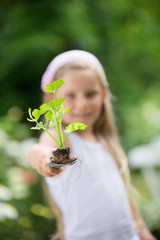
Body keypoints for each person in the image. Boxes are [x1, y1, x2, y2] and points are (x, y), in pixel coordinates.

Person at [28, 50, 156, 240]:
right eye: (70, 95)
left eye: (90, 94)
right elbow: (39, 150)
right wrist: (44, 157)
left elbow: (127, 201)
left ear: (104, 95)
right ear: (52, 100)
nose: (82, 104)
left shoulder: (107, 142)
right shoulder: (61, 136)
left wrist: (144, 232)